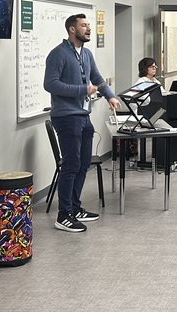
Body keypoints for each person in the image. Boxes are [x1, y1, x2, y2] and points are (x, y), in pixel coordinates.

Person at [44, 13, 120, 233]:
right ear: (71, 29)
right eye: (84, 26)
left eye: (89, 25)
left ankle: (75, 208)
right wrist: (82, 90)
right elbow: (50, 84)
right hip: (66, 117)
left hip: (83, 116)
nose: (88, 29)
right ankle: (63, 215)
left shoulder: (86, 54)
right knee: (71, 165)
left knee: (83, 163)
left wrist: (110, 96)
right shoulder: (58, 54)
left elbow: (97, 79)